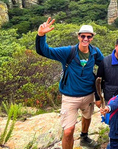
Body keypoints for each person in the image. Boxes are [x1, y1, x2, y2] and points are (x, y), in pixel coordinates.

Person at [35, 17, 104, 149]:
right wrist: (41, 35)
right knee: (68, 131)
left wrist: (98, 95)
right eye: (83, 36)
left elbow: (105, 66)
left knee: (87, 117)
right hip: (70, 97)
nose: (86, 39)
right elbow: (44, 51)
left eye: (89, 37)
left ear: (92, 38)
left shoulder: (95, 52)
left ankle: (84, 137)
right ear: (78, 36)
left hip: (88, 94)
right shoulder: (68, 52)